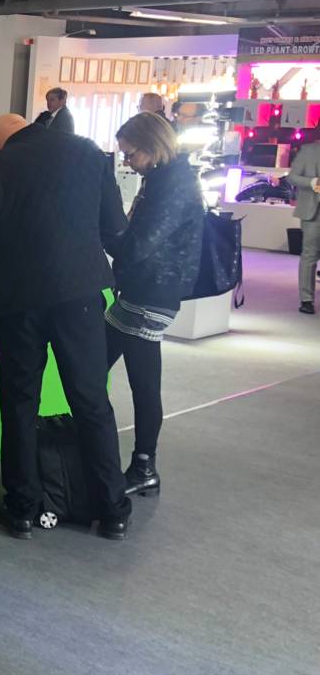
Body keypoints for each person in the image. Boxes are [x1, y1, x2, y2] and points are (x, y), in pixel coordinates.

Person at [0, 110, 132, 541]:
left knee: (20, 402)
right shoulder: (89, 154)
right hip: (80, 298)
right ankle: (113, 509)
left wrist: (6, 268)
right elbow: (115, 228)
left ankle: (22, 507)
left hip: (18, 301)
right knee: (91, 400)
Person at [105, 113, 203, 497]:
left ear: (152, 147)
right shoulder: (163, 179)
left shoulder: (173, 184)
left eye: (131, 154)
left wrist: (106, 234)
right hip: (141, 290)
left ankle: (144, 464)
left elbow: (139, 244)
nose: (128, 162)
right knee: (97, 369)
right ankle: (131, 460)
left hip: (152, 294)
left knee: (142, 383)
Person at [287, 138, 320, 315]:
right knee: (309, 255)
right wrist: (313, 182)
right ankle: (307, 300)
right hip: (313, 212)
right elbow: (292, 177)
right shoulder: (308, 150)